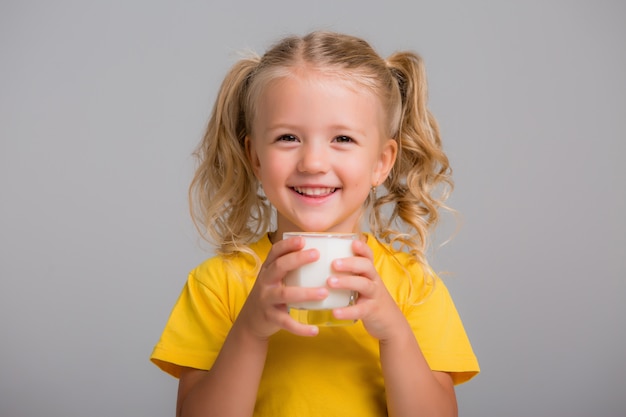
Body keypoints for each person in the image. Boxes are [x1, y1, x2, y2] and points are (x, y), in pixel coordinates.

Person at [151, 30, 479, 417]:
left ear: (381, 162)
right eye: (288, 137)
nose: (312, 163)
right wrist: (251, 329)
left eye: (342, 138)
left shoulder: (413, 288)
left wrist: (394, 333)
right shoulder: (217, 285)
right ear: (254, 157)